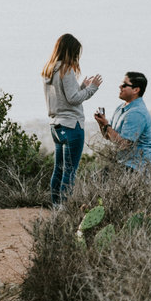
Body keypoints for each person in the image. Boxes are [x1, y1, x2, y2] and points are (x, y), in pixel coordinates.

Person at [42, 34, 102, 205]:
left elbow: (64, 95)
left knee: (58, 170)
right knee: (70, 171)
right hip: (71, 125)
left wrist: (81, 86)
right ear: (71, 52)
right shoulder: (66, 70)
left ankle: (55, 207)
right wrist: (92, 89)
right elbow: (73, 99)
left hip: (56, 125)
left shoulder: (49, 69)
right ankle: (64, 209)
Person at [94, 71, 151, 170]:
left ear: (136, 90)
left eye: (124, 85)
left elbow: (123, 144)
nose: (120, 87)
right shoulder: (121, 108)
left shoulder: (137, 113)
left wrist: (106, 125)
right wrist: (102, 124)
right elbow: (109, 137)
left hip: (136, 167)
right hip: (122, 163)